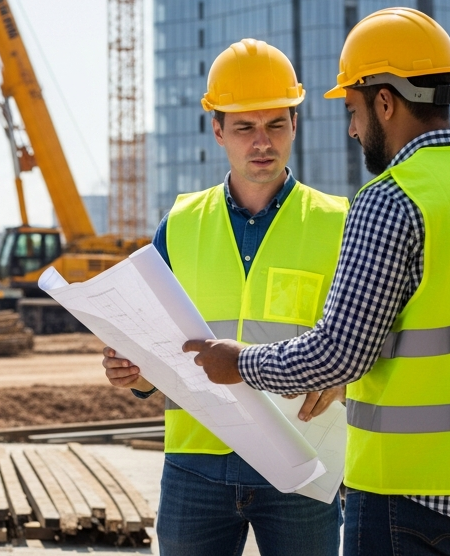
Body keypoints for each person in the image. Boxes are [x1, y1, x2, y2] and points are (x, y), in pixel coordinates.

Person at [183, 8, 450, 556]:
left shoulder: (390, 201)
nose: (352, 127)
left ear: (384, 102)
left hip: (407, 494)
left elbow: (340, 353)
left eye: (353, 109)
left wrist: (239, 361)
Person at [102, 39, 349, 556]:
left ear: (295, 125)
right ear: (218, 130)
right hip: (198, 461)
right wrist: (138, 375)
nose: (263, 141)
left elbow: (367, 339)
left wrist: (348, 379)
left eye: (276, 124)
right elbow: (157, 346)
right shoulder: (181, 224)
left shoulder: (338, 222)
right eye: (244, 127)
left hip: (302, 458)